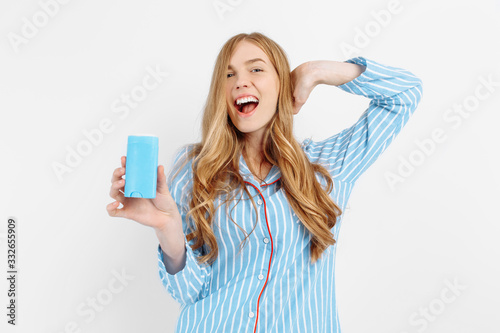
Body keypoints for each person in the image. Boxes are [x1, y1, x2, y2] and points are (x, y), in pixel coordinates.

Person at [106, 31, 423, 332]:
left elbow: (405, 93)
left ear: (283, 84)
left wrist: (317, 71)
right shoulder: (194, 171)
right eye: (229, 75)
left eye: (256, 69)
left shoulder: (327, 167)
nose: (240, 81)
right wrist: (168, 228)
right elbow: (188, 292)